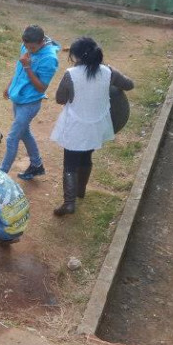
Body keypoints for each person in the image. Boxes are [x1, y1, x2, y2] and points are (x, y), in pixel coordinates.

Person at [50, 37, 134, 216]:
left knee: (70, 164)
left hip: (76, 126)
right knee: (86, 156)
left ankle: (69, 203)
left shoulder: (71, 74)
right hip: (97, 125)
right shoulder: (108, 71)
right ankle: (81, 190)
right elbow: (129, 84)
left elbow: (60, 99)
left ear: (78, 57)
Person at [0, 25, 60, 180]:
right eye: (26, 46)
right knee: (24, 133)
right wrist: (9, 86)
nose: (28, 50)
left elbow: (41, 88)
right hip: (18, 98)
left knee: (12, 138)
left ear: (41, 42)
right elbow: (18, 70)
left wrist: (27, 67)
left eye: (32, 47)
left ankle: (0, 175)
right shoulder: (26, 45)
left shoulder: (50, 59)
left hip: (30, 103)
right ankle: (36, 165)